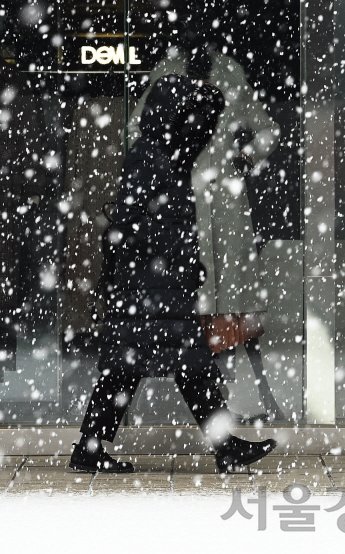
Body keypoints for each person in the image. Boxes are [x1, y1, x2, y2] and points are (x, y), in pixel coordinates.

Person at [69, 69, 277, 473]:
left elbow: (150, 226)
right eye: (187, 120)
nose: (194, 131)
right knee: (179, 367)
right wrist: (182, 263)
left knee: (142, 368)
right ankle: (222, 447)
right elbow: (145, 226)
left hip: (151, 288)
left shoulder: (159, 157)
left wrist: (183, 265)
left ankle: (92, 449)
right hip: (150, 287)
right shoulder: (151, 160)